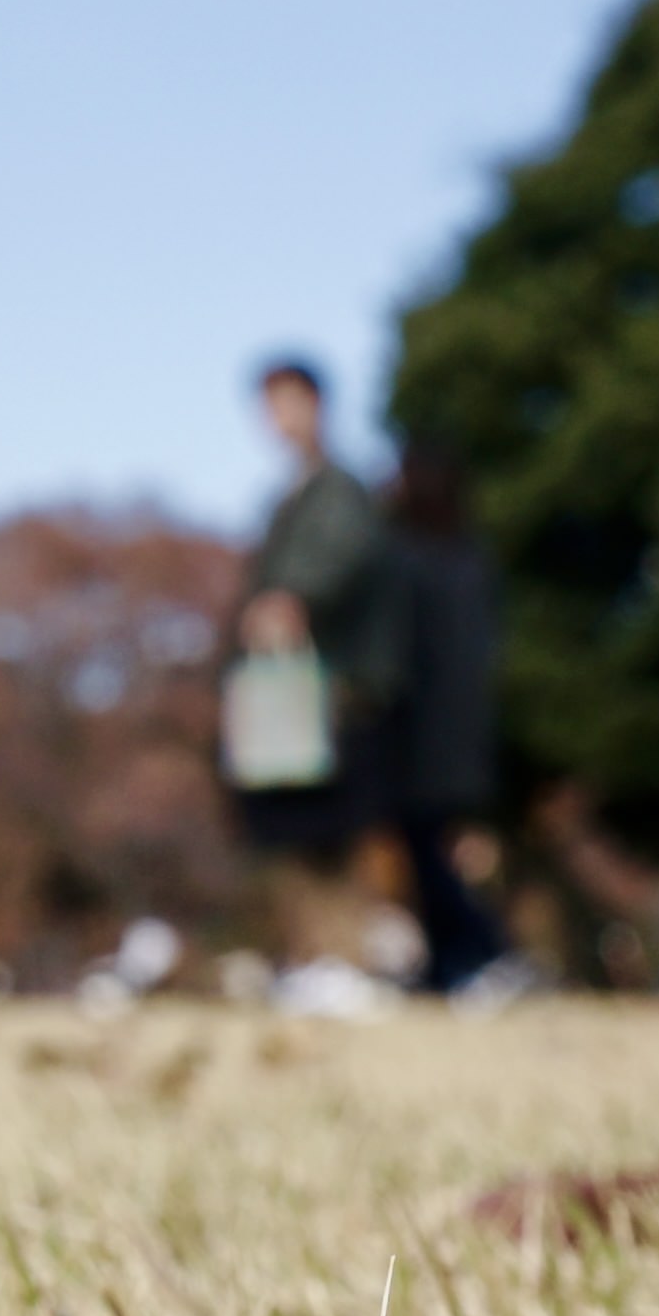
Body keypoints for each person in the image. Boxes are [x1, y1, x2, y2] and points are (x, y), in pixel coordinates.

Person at [224, 351, 389, 912]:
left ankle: (353, 946)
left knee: (332, 836)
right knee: (297, 840)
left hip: (336, 694)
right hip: (304, 695)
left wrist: (290, 598)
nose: (278, 419)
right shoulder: (292, 493)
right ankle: (329, 946)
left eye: (287, 403)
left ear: (316, 404)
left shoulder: (337, 488)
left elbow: (338, 557)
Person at [379, 436, 513, 997]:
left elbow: (401, 649)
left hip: (425, 728)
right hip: (452, 725)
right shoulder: (467, 557)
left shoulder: (412, 558)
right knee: (428, 847)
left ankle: (478, 950)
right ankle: (452, 959)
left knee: (427, 848)